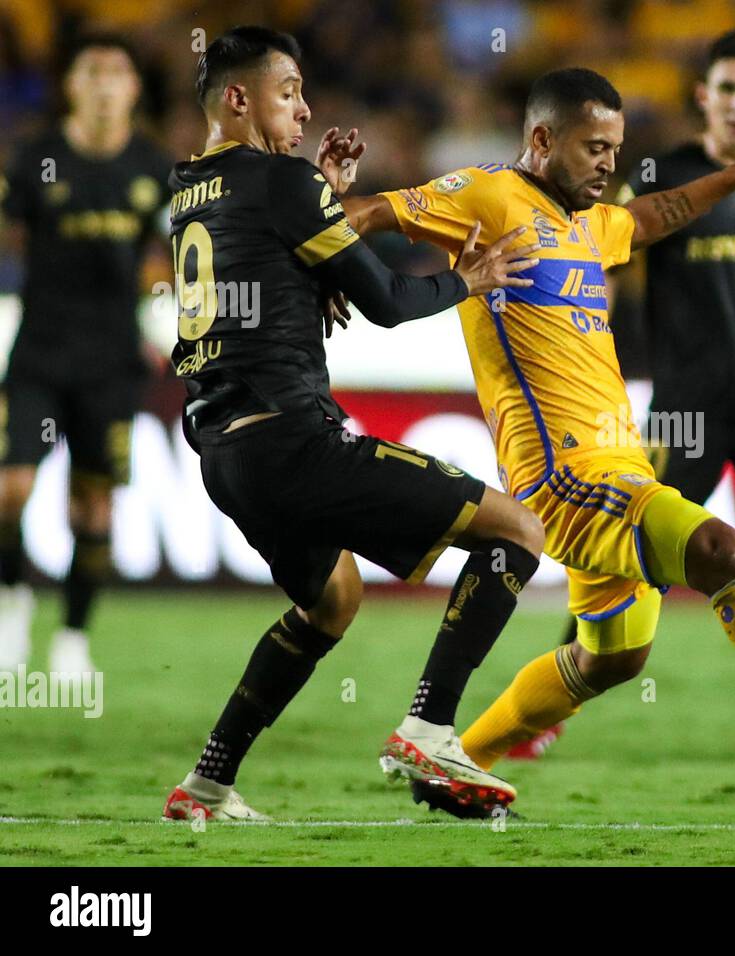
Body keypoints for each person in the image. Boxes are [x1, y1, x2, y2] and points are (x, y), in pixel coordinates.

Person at [341, 66, 735, 815]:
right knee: (723, 551)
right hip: (562, 476)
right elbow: (364, 212)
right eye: (593, 146)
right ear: (541, 139)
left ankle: (457, 762)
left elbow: (658, 213)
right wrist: (325, 271)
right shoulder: (486, 194)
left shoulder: (589, 225)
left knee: (614, 657)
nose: (609, 162)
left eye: (617, 148)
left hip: (617, 462)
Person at [159, 26, 545, 821]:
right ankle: (431, 728)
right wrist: (466, 277)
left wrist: (322, 204)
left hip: (225, 454)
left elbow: (269, 269)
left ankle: (206, 783)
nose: (304, 110)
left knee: (330, 601)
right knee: (516, 531)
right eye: (289, 91)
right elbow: (388, 304)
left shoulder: (188, 189)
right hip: (296, 440)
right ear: (238, 99)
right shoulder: (282, 184)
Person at [527, 28, 735, 765]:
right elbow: (601, 268)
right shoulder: (660, 175)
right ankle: (545, 714)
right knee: (625, 559)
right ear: (703, 96)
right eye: (727, 89)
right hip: (687, 403)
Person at [0, 34, 172, 676]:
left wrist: (166, 304)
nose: (105, 83)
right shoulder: (35, 159)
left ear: (132, 89)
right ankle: (12, 598)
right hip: (40, 352)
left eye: (118, 73)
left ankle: (72, 638)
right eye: (92, 71)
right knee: (10, 490)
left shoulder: (154, 169)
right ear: (72, 85)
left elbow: (173, 259)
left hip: (112, 361)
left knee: (93, 503)